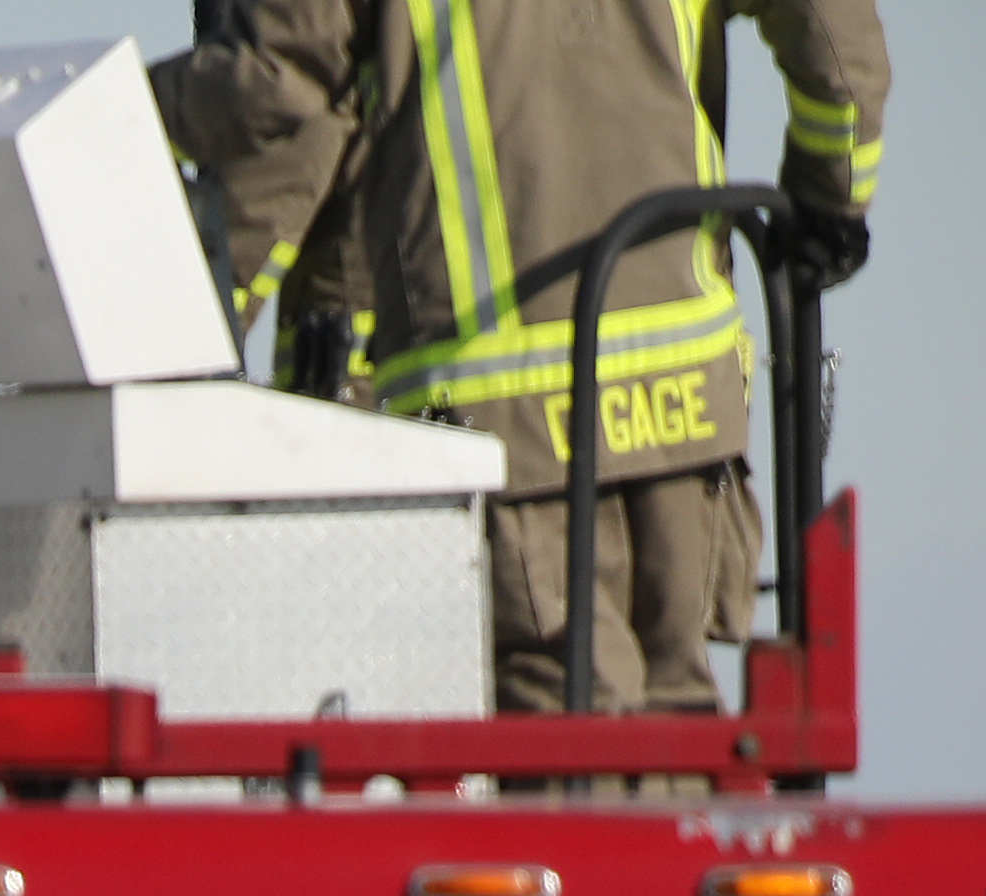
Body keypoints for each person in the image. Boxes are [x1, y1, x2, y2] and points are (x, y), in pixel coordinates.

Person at [159, 0, 884, 714]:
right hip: (686, 393)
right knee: (678, 719)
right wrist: (832, 197)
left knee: (567, 723)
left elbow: (279, 87)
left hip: (503, 417)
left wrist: (112, 119)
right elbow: (833, 31)